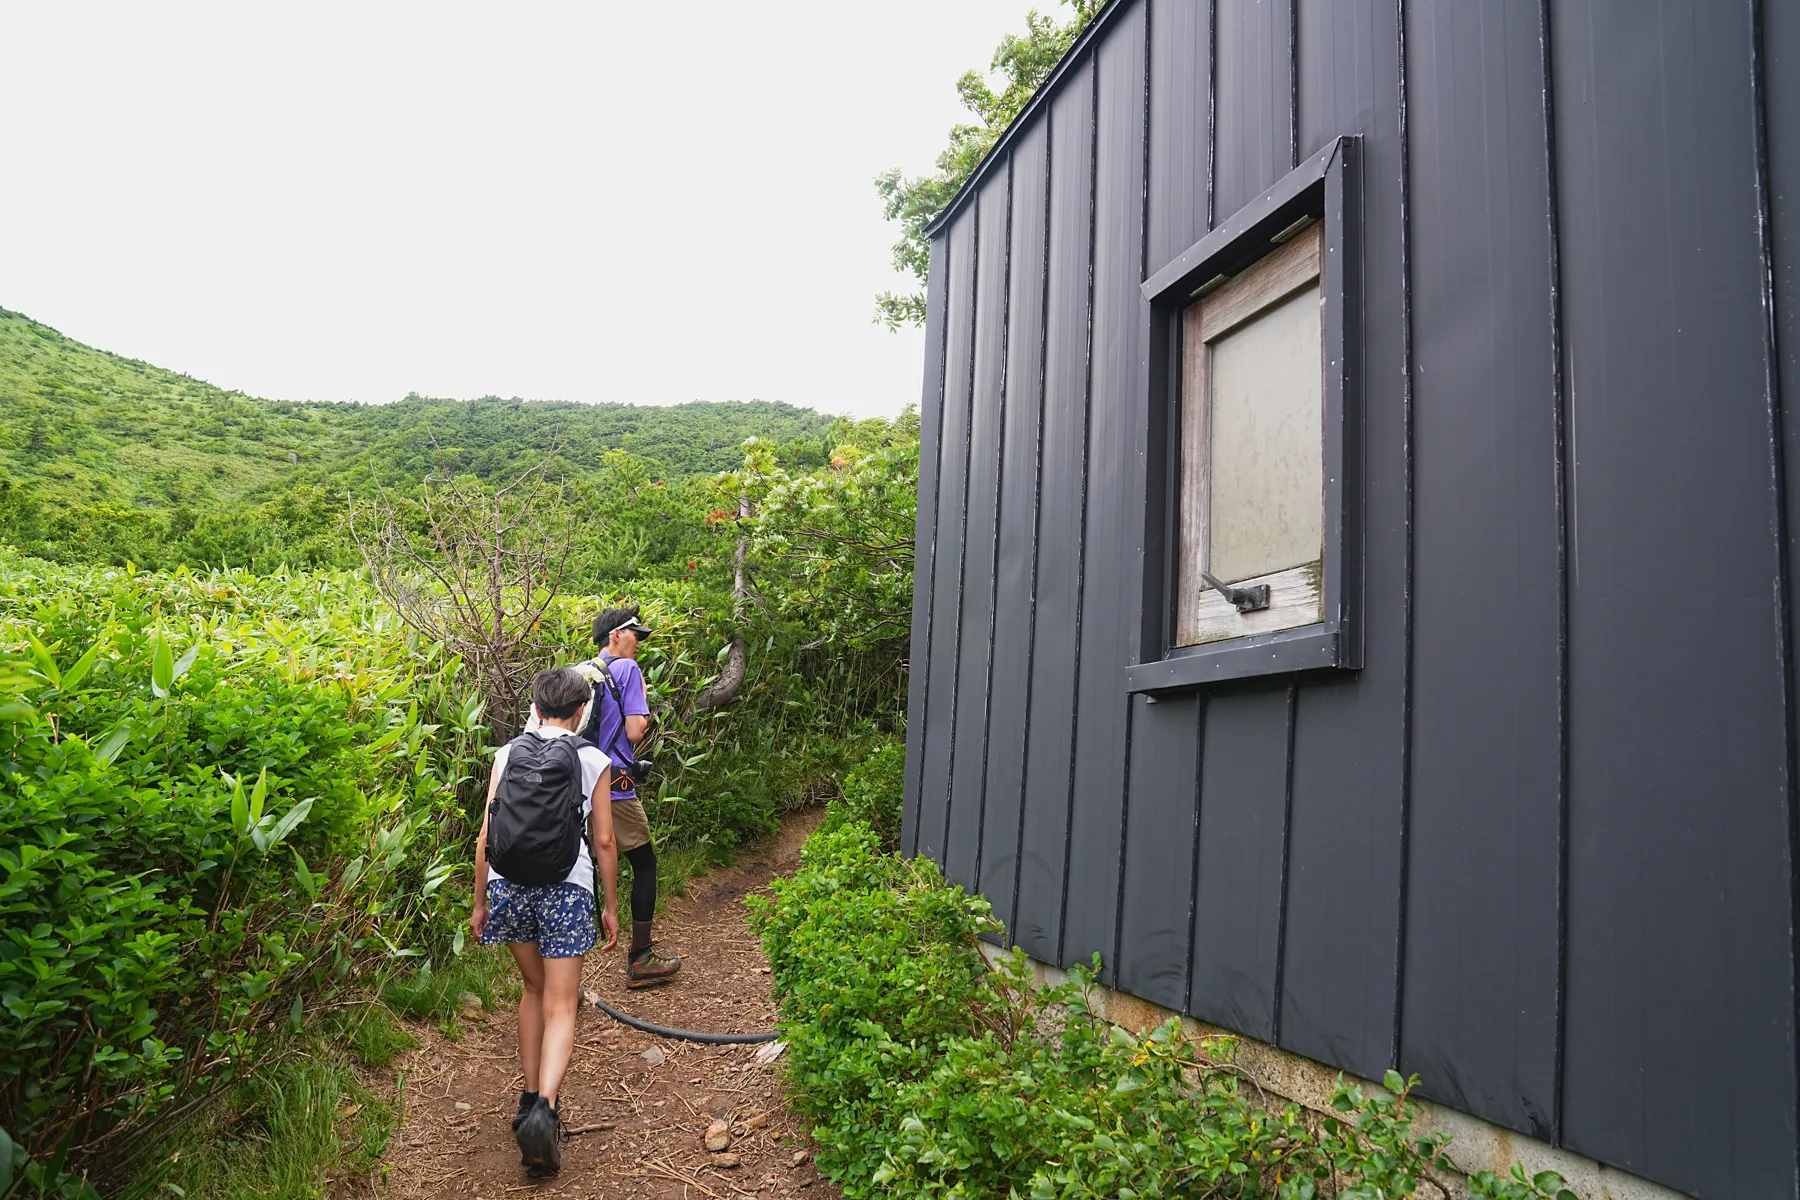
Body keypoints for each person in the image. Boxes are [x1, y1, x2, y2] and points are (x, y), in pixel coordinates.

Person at [471, 667, 619, 1176]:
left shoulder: (507, 753)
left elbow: (485, 837)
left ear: (534, 708)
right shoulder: (591, 758)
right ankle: (544, 1112)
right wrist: (611, 906)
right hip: (567, 889)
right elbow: (603, 841)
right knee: (562, 1005)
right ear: (580, 713)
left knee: (532, 992)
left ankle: (526, 1097)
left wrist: (479, 903)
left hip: (508, 886)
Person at [579, 606, 682, 988]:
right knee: (644, 863)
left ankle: (564, 972)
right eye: (634, 634)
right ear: (615, 636)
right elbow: (636, 731)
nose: (639, 642)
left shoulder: (579, 671)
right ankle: (640, 959)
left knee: (579, 866)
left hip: (576, 784)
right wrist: (643, 703)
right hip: (615, 785)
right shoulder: (627, 670)